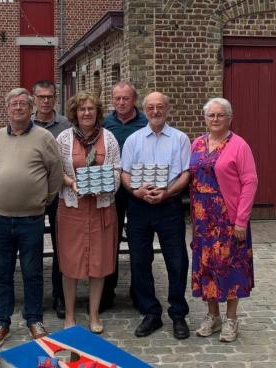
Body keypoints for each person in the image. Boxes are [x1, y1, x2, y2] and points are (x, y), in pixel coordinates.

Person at [0, 88, 63, 347]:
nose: (18, 107)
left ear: (31, 109)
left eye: (23, 103)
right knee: (1, 273)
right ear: (6, 109)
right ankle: (2, 321)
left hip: (31, 218)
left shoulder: (44, 137)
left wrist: (45, 198)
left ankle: (34, 319)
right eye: (13, 104)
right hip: (1, 217)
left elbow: (56, 172)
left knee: (32, 271)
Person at [120, 91, 191, 339]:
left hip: (169, 205)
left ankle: (178, 313)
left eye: (160, 106)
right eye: (150, 107)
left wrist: (167, 192)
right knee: (140, 260)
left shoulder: (180, 139)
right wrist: (135, 191)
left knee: (177, 260)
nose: (156, 111)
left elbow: (185, 174)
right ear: (144, 110)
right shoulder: (134, 140)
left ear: (167, 109)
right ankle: (150, 312)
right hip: (139, 206)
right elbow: (124, 173)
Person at [191, 98, 258, 342]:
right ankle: (213, 316)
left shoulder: (239, 145)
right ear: (205, 118)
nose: (215, 119)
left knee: (230, 266)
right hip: (202, 219)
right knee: (206, 265)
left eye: (221, 115)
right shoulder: (197, 143)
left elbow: (250, 182)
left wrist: (241, 220)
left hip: (228, 217)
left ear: (230, 118)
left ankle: (231, 319)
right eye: (211, 115)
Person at [55, 92, 121, 333]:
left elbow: (116, 170)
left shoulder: (109, 138)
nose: (86, 113)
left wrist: (106, 186)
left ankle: (94, 315)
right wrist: (72, 183)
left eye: (91, 109)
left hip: (101, 207)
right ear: (75, 113)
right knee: (70, 262)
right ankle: (70, 315)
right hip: (72, 207)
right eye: (82, 109)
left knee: (98, 262)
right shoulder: (64, 138)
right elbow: (56, 170)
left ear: (97, 112)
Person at [101, 81, 148, 312]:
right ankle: (107, 292)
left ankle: (139, 293)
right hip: (113, 192)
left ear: (134, 100)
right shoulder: (105, 124)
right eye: (117, 98)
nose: (121, 102)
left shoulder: (145, 123)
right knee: (110, 242)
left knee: (139, 245)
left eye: (125, 98)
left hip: (138, 190)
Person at [31, 80, 72, 319]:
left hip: (59, 194)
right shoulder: (26, 123)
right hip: (33, 194)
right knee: (32, 247)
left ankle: (60, 295)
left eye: (50, 97)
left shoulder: (66, 125)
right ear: (34, 98)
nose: (46, 101)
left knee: (61, 246)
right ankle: (35, 296)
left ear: (55, 98)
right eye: (41, 97)